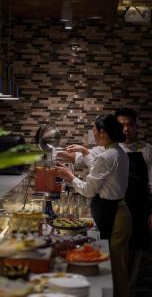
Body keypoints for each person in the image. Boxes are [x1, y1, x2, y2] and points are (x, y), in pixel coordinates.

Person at [54, 114, 132, 297]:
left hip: (116, 216)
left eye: (95, 130)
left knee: (117, 268)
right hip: (119, 212)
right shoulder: (117, 151)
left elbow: (88, 190)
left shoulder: (108, 156)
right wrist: (86, 152)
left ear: (103, 132)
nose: (93, 134)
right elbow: (99, 168)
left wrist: (69, 176)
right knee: (118, 265)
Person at [115, 107, 152, 286]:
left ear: (136, 126)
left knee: (134, 262)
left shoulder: (147, 150)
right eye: (121, 125)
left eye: (130, 124)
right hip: (115, 214)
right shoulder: (110, 150)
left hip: (139, 213)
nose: (126, 129)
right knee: (115, 261)